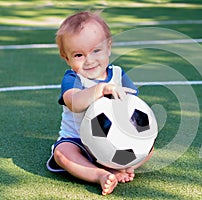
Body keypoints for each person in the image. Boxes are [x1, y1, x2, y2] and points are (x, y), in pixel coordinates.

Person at [46, 11, 154, 196]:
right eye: (79, 55)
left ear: (109, 48)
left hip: (115, 143)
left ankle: (125, 166)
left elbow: (133, 104)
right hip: (78, 142)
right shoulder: (73, 78)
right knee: (62, 153)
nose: (90, 60)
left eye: (96, 50)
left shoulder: (119, 74)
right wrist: (99, 90)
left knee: (149, 146)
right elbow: (73, 102)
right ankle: (98, 174)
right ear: (66, 58)